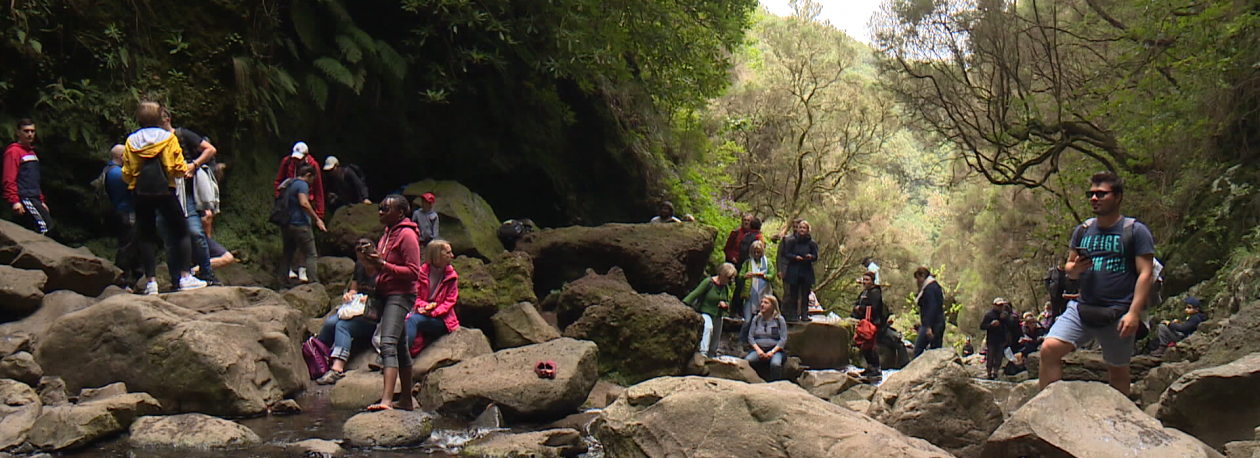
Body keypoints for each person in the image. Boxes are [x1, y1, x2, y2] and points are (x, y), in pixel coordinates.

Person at [1040, 171, 1155, 396]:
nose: (1094, 198)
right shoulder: (1083, 231)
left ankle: (1119, 422)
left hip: (1119, 312)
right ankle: (1049, 410)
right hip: (1084, 307)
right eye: (1091, 194)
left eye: (1101, 194)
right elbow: (1069, 269)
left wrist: (1133, 313)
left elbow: (1145, 273)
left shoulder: (1135, 231)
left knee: (1118, 372)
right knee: (1049, 349)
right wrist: (1073, 270)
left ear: (1118, 197)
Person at [122, 101, 206, 294]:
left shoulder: (131, 141)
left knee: (146, 236)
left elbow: (127, 171)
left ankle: (151, 282)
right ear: (160, 118)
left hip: (141, 193)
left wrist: (134, 180)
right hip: (165, 191)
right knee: (182, 231)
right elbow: (178, 168)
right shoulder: (168, 138)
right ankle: (186, 277)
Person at [364, 195, 422, 411]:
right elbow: (379, 267)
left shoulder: (407, 235)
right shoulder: (386, 234)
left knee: (387, 343)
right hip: (386, 294)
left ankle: (386, 401)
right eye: (380, 208)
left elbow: (414, 272)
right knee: (400, 346)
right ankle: (406, 399)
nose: (381, 212)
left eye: (386, 209)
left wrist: (384, 264)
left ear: (400, 213)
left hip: (401, 294)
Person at [158, 111, 222, 286]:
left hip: (187, 193)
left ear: (167, 119)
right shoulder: (152, 141)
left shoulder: (182, 135)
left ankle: (207, 274)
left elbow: (210, 149)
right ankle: (176, 279)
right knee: (170, 239)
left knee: (195, 233)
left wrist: (194, 165)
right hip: (163, 194)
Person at [313, 240, 382, 385]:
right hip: (356, 311)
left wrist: (371, 299)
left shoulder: (382, 270)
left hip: (374, 316)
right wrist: (349, 295)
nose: (363, 262)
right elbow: (354, 288)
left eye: (365, 259)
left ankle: (337, 368)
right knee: (331, 322)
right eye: (360, 259)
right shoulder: (359, 267)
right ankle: (317, 357)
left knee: (342, 326)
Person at [406, 239, 460, 357]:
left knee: (413, 320)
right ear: (436, 255)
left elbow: (450, 301)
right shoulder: (421, 273)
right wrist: (424, 307)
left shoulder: (451, 277)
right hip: (422, 311)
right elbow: (415, 296)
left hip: (442, 318)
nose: (452, 256)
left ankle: (399, 356)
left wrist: (432, 312)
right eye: (448, 253)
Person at [276, 165, 326, 286]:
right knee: (311, 254)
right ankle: (315, 284)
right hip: (300, 224)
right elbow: (303, 202)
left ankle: (282, 282)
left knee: (287, 253)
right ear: (309, 175)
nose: (312, 182)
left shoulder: (289, 183)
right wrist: (317, 219)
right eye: (312, 179)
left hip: (287, 224)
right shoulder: (302, 185)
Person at [102, 145, 141, 290]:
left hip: (120, 212)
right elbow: (137, 185)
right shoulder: (118, 174)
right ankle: (122, 279)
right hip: (126, 213)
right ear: (122, 156)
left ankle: (134, 277)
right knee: (127, 247)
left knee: (132, 246)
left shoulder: (108, 170)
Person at [3, 119, 50, 234]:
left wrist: (41, 200)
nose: (30, 134)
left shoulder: (31, 153)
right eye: (26, 131)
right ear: (18, 132)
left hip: (34, 196)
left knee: (31, 229)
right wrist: (14, 201)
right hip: (24, 197)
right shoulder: (13, 152)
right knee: (45, 226)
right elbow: (9, 178)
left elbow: (34, 180)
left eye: (32, 131)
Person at [683, 263, 735, 357]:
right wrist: (683, 304)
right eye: (729, 277)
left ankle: (712, 356)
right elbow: (695, 294)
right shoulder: (708, 282)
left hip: (718, 316)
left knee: (716, 337)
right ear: (722, 274)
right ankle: (703, 353)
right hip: (706, 312)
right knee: (708, 328)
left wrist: (725, 305)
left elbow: (727, 302)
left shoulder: (725, 288)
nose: (730, 280)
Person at [275, 142, 325, 220]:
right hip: (289, 202)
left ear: (306, 156)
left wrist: (319, 214)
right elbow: (278, 181)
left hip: (307, 203)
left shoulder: (313, 166)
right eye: (295, 158)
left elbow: (318, 190)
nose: (296, 161)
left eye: (299, 159)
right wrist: (279, 197)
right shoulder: (287, 162)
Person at [745, 295, 788, 381]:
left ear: (772, 306)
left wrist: (772, 352)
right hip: (758, 350)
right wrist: (758, 350)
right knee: (748, 361)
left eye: (766, 303)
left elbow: (783, 339)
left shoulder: (779, 319)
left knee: (775, 364)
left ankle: (775, 384)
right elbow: (750, 337)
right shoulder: (756, 318)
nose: (762, 305)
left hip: (775, 350)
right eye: (761, 302)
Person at [738, 240, 774, 344]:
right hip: (750, 295)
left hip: (764, 295)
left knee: (761, 320)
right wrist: (745, 276)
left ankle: (757, 341)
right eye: (755, 252)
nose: (757, 254)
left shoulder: (768, 263)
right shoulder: (747, 263)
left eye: (758, 252)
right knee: (748, 320)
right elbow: (740, 276)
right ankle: (741, 341)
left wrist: (765, 276)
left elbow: (772, 276)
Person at [852, 271, 885, 382]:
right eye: (864, 280)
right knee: (865, 346)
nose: (865, 282)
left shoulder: (875, 292)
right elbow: (858, 303)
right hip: (864, 322)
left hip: (873, 323)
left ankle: (876, 368)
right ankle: (870, 367)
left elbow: (873, 307)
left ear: (872, 281)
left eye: (867, 280)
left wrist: (861, 308)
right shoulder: (864, 292)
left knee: (871, 346)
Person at [782, 220, 818, 322]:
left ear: (808, 230)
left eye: (804, 228)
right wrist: (795, 257)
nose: (802, 230)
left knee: (805, 294)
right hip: (794, 270)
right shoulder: (792, 241)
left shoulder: (811, 243)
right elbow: (787, 254)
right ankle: (793, 315)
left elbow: (816, 256)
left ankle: (805, 314)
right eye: (800, 228)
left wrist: (810, 256)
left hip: (806, 270)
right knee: (793, 294)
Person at [732, 217, 764, 315]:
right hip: (752, 264)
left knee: (740, 287)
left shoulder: (745, 236)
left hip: (742, 263)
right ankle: (749, 311)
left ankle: (736, 310)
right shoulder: (759, 237)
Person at [912, 267, 946, 358]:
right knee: (935, 350)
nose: (917, 282)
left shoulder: (930, 288)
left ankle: (917, 371)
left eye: (918, 278)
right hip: (937, 323)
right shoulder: (934, 286)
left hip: (932, 324)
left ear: (923, 276)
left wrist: (928, 326)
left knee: (918, 350)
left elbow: (931, 308)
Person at [980, 298, 1012, 379]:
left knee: (999, 357)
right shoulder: (989, 315)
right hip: (991, 340)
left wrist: (1004, 319)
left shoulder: (1004, 315)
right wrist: (991, 325)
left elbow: (1010, 325)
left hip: (1001, 339)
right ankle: (989, 373)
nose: (1000, 307)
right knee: (990, 357)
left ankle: (995, 373)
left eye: (1002, 305)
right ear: (994, 305)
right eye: (999, 305)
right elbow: (982, 326)